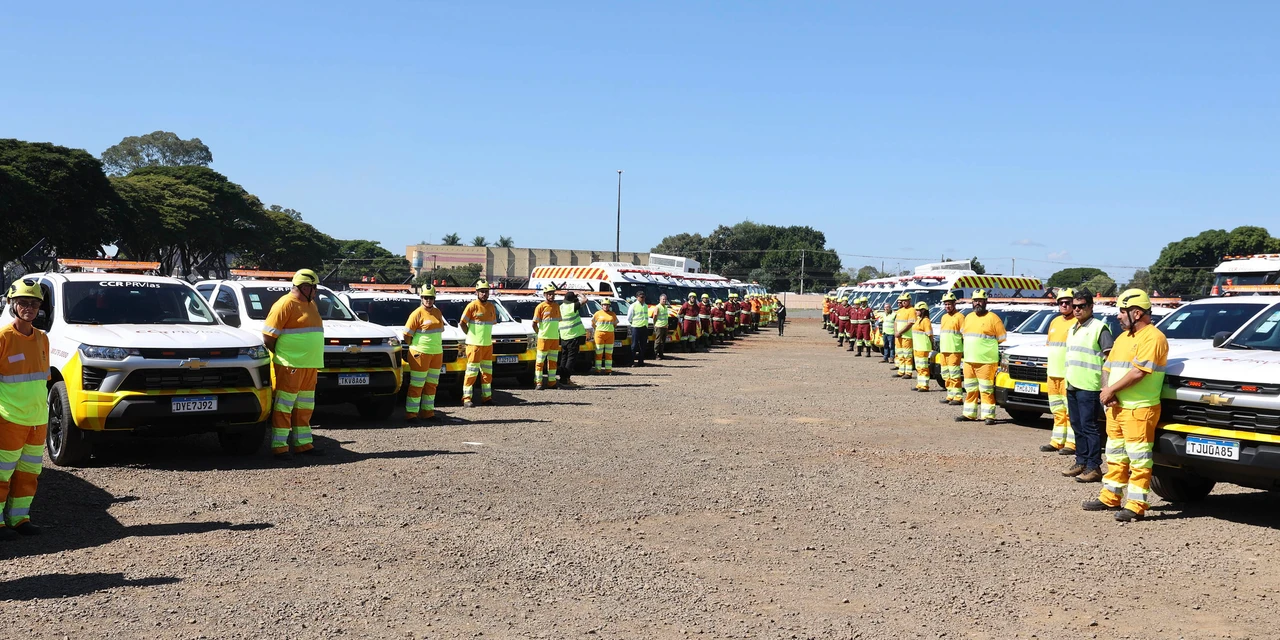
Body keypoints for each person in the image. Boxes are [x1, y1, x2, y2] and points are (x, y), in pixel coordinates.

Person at [1083, 289, 1168, 522]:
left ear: (1137, 312)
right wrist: (1106, 391)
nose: (1118, 316)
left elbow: (1139, 372)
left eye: (1122, 311)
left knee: (1139, 458)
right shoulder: (1123, 338)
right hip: (1117, 407)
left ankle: (1136, 504)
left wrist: (1111, 390)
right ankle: (1110, 496)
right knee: (1115, 454)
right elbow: (1107, 367)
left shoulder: (1153, 337)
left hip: (1140, 408)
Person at [0, 278, 51, 537]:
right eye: (23, 303)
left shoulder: (43, 339)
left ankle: (20, 519)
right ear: (12, 304)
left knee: (29, 472)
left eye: (33, 303)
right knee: (1, 473)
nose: (28, 308)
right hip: (9, 418)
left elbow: (42, 381)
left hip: (37, 420)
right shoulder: (3, 337)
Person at [262, 269, 325, 459]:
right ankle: (280, 447)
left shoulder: (311, 304)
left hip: (309, 365)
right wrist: (284, 355)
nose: (316, 292)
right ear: (305, 287)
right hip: (291, 365)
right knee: (284, 406)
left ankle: (303, 444)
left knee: (305, 407)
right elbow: (268, 336)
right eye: (314, 288)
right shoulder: (285, 304)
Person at [1062, 290, 1114, 482]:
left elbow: (1109, 358)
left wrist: (1106, 387)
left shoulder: (1100, 328)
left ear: (1091, 307)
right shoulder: (1073, 328)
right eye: (1074, 306)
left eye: (1081, 306)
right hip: (1073, 384)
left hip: (1090, 386)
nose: (1076, 309)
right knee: (1077, 426)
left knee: (1090, 427)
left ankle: (1093, 466)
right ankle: (1081, 461)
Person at [955, 290, 1006, 425]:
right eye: (975, 300)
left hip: (986, 361)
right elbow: (964, 335)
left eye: (980, 300)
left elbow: (1002, 338)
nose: (977, 303)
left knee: (986, 390)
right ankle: (969, 414)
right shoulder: (968, 317)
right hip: (969, 360)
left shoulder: (993, 318)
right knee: (970, 389)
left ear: (985, 302)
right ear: (972, 302)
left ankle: (988, 416)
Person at [1039, 288, 1078, 455]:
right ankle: (1057, 441)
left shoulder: (1077, 323)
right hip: (1053, 374)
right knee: (1057, 410)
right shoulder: (1054, 322)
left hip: (1068, 374)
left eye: (1067, 302)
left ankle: (1071, 443)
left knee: (1070, 412)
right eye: (1061, 302)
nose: (1064, 305)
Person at [402, 285, 447, 420]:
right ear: (421, 298)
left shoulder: (438, 312)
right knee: (417, 385)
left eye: (431, 298)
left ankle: (428, 412)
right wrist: (414, 347)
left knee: (432, 384)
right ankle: (411, 414)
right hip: (420, 353)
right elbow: (406, 335)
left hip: (436, 353)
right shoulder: (416, 313)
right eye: (426, 297)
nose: (428, 300)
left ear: (434, 298)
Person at [458, 279, 497, 407]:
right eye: (482, 292)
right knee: (471, 373)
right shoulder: (472, 306)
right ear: (477, 292)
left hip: (487, 345)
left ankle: (487, 397)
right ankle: (467, 398)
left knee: (487, 374)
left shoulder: (491, 307)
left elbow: (491, 324)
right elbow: (462, 323)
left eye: (486, 291)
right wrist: (470, 335)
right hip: (474, 345)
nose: (484, 294)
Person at [937, 292, 965, 405]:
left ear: (954, 304)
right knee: (945, 374)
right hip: (944, 350)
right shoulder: (944, 317)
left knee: (954, 375)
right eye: (945, 304)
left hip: (954, 350)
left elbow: (964, 335)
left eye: (949, 304)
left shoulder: (960, 317)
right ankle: (950, 395)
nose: (947, 306)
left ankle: (958, 397)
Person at [531, 284, 561, 390]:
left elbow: (558, 322)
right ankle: (538, 383)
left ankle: (552, 382)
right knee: (540, 362)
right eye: (549, 294)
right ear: (545, 295)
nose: (551, 296)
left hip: (554, 339)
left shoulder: (557, 306)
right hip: (543, 339)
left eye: (552, 294)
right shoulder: (540, 307)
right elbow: (534, 324)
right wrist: (539, 333)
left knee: (553, 362)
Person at [557, 292, 587, 387]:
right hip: (572, 336)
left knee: (564, 358)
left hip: (563, 336)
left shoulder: (561, 307)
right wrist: (580, 294)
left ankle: (562, 378)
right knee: (571, 359)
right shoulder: (571, 307)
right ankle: (566, 379)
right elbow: (585, 300)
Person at [910, 301, 933, 392]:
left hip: (923, 347)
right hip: (917, 347)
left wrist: (932, 346)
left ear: (923, 310)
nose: (916, 312)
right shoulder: (919, 319)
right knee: (918, 367)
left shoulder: (926, 321)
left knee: (923, 367)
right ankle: (920, 384)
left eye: (918, 310)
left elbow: (930, 335)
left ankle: (924, 385)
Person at [893, 294, 917, 378]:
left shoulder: (912, 310)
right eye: (902, 300)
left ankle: (908, 373)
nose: (903, 302)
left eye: (905, 300)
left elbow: (910, 324)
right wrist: (896, 332)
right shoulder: (900, 311)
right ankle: (901, 371)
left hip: (907, 336)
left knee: (907, 355)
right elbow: (895, 322)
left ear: (909, 301)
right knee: (900, 354)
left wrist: (900, 332)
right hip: (898, 336)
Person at [592, 300, 619, 373]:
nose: (606, 306)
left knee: (609, 353)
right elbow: (593, 324)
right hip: (599, 335)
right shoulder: (597, 314)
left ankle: (608, 370)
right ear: (601, 305)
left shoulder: (612, 314)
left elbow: (615, 324)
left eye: (607, 305)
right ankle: (598, 369)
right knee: (599, 353)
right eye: (604, 305)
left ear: (609, 306)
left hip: (610, 335)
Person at [627, 291, 651, 366]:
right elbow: (629, 318)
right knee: (634, 346)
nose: (643, 298)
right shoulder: (633, 305)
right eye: (641, 297)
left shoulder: (646, 306)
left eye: (644, 297)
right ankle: (631, 361)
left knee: (643, 346)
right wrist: (633, 324)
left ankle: (641, 362)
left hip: (644, 327)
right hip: (636, 327)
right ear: (637, 297)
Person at [649, 293, 671, 359]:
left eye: (665, 299)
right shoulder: (657, 307)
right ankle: (655, 354)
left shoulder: (665, 307)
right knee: (658, 341)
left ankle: (661, 354)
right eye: (663, 299)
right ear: (660, 300)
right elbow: (655, 316)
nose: (664, 301)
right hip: (659, 326)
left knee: (663, 341)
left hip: (665, 326)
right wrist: (655, 324)